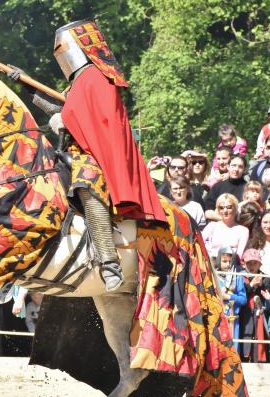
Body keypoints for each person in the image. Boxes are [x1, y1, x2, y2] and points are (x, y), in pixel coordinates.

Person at [9, 17, 165, 292]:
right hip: (73, 151)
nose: (61, 55)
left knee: (86, 183)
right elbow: (60, 107)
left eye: (63, 48)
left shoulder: (97, 77)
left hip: (93, 155)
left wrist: (65, 123)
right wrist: (26, 84)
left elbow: (97, 123)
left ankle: (109, 262)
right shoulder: (78, 84)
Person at [239, 248, 268, 363]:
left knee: (259, 336)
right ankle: (243, 360)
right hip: (244, 313)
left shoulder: (265, 278)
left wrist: (260, 285)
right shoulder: (240, 276)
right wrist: (251, 284)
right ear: (243, 264)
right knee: (245, 336)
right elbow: (241, 294)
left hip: (259, 313)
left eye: (255, 263)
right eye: (249, 263)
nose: (252, 266)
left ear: (260, 264)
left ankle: (259, 361)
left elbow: (267, 296)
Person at [202, 193, 249, 260]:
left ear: (235, 208)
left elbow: (239, 256)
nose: (225, 211)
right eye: (221, 208)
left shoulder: (243, 231)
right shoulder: (211, 226)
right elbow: (199, 246)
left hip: (231, 266)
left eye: (229, 207)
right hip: (210, 265)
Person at [215, 247, 246, 347]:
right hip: (217, 318)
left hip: (233, 320)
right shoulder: (214, 276)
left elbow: (243, 299)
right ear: (219, 260)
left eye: (230, 261)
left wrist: (228, 296)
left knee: (233, 350)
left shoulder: (237, 277)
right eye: (224, 261)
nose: (228, 264)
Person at [204, 155, 247, 221]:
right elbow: (208, 212)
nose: (236, 169)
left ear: (244, 170)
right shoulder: (217, 187)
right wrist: (225, 220)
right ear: (228, 167)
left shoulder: (248, 188)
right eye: (233, 166)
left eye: (240, 167)